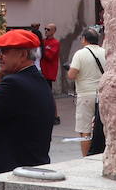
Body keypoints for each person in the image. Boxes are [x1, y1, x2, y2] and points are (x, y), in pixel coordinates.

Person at [0, 29, 54, 190]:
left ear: (22, 55)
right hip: (26, 167)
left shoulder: (14, 83)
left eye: (4, 51)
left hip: (10, 172)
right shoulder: (35, 78)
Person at [68, 28, 106, 156]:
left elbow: (72, 74)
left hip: (85, 95)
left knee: (85, 129)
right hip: (102, 94)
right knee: (101, 128)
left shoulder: (80, 54)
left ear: (84, 39)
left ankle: (85, 159)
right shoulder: (104, 52)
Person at [40, 23, 61, 125]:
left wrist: (42, 48)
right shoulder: (44, 41)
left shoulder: (55, 43)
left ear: (53, 31)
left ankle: (55, 116)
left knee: (49, 95)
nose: (46, 31)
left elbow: (49, 56)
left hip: (48, 73)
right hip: (42, 72)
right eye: (45, 29)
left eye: (48, 29)